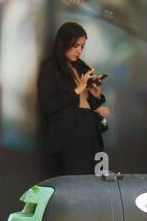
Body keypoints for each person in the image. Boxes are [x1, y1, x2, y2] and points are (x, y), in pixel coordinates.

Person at [37, 22, 109, 175]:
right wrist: (77, 90)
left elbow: (88, 102)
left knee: (94, 180)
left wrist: (97, 96)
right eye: (76, 45)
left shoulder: (83, 67)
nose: (79, 50)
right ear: (64, 43)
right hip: (69, 134)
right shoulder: (50, 67)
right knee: (75, 181)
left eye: (82, 46)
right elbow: (48, 106)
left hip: (90, 128)